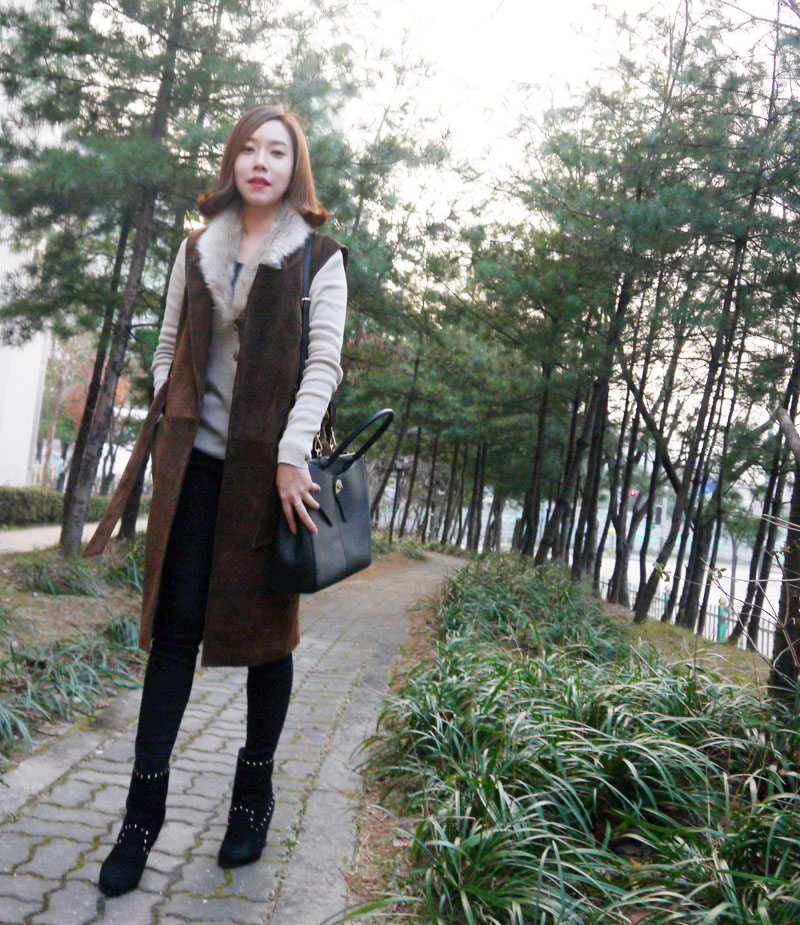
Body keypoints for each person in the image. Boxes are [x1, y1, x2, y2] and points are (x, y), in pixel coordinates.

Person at [87, 104, 348, 897]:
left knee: (268, 642)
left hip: (271, 482)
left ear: (294, 169)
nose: (261, 161)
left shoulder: (319, 258)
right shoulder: (195, 249)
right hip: (194, 475)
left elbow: (324, 366)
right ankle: (140, 821)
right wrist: (172, 419)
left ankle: (252, 795)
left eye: (277, 151)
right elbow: (168, 346)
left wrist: (291, 454)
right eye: (248, 149)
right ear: (232, 161)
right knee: (172, 637)